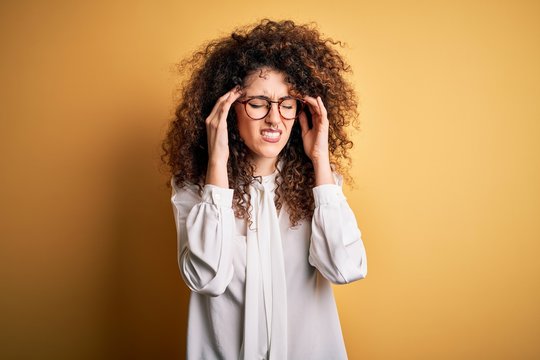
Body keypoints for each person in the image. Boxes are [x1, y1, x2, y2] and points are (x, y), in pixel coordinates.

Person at [162, 19, 368, 360]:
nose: (274, 118)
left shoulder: (322, 186)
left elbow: (345, 268)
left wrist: (320, 160)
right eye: (258, 102)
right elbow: (205, 278)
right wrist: (217, 164)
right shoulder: (195, 190)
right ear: (228, 111)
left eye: (286, 104)